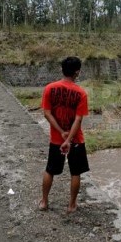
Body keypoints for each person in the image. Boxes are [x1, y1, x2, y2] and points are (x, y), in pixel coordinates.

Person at [39, 56, 89, 213]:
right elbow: (78, 119)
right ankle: (71, 205)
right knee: (75, 172)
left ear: (62, 70)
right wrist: (68, 139)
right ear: (77, 72)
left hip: (56, 139)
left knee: (50, 170)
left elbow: (47, 113)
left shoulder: (49, 88)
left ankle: (44, 202)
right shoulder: (81, 93)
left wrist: (61, 133)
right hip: (75, 140)